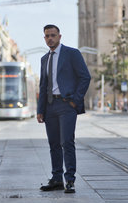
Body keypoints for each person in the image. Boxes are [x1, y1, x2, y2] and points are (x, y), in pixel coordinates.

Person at [37, 24, 91, 194]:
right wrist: (40, 109)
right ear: (44, 38)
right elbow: (43, 85)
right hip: (50, 106)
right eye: (47, 36)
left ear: (60, 36)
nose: (50, 38)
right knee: (53, 144)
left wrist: (75, 100)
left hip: (67, 105)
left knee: (66, 142)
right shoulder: (44, 59)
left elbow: (85, 77)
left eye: (53, 35)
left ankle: (70, 180)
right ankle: (56, 179)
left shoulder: (72, 54)